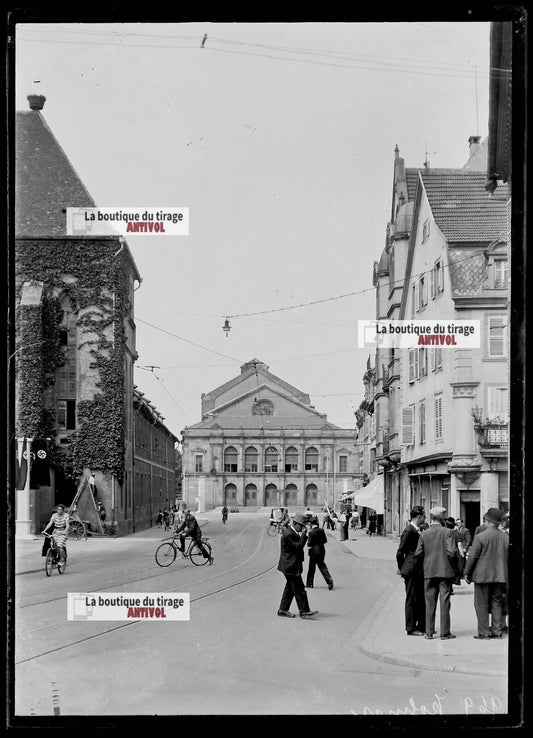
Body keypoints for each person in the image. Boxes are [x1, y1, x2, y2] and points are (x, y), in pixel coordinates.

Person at [464, 507, 509, 639]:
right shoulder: (505, 537)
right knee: (497, 602)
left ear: (488, 521)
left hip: (482, 576)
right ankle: (497, 631)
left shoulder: (480, 537)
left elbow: (473, 557)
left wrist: (467, 572)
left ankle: (484, 632)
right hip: (500, 576)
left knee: (481, 603)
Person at [415, 506, 458, 640]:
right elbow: (452, 552)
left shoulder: (424, 534)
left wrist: (427, 562)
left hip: (429, 572)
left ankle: (429, 632)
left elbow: (418, 553)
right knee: (444, 601)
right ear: (442, 518)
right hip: (445, 572)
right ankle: (445, 633)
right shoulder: (448, 532)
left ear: (432, 518)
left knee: (429, 601)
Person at [277, 512, 318, 619]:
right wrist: (304, 536)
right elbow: (298, 548)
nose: (303, 528)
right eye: (302, 525)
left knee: (290, 588)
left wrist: (302, 535)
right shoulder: (289, 534)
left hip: (291, 565)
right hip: (290, 566)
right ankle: (304, 611)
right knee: (299, 589)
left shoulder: (292, 532)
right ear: (295, 523)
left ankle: (283, 609)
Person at [396, 505, 426, 636]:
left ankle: (419, 626)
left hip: (416, 570)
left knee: (418, 598)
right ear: (419, 517)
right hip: (411, 570)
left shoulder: (415, 530)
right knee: (411, 598)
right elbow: (399, 552)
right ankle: (411, 627)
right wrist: (404, 568)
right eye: (424, 516)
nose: (425, 518)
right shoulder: (409, 531)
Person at [306, 516, 334, 590]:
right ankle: (329, 579)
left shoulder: (311, 532)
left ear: (311, 524)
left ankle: (310, 583)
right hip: (321, 550)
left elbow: (309, 544)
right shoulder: (321, 530)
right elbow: (325, 540)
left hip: (314, 552)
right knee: (322, 566)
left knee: (311, 567)